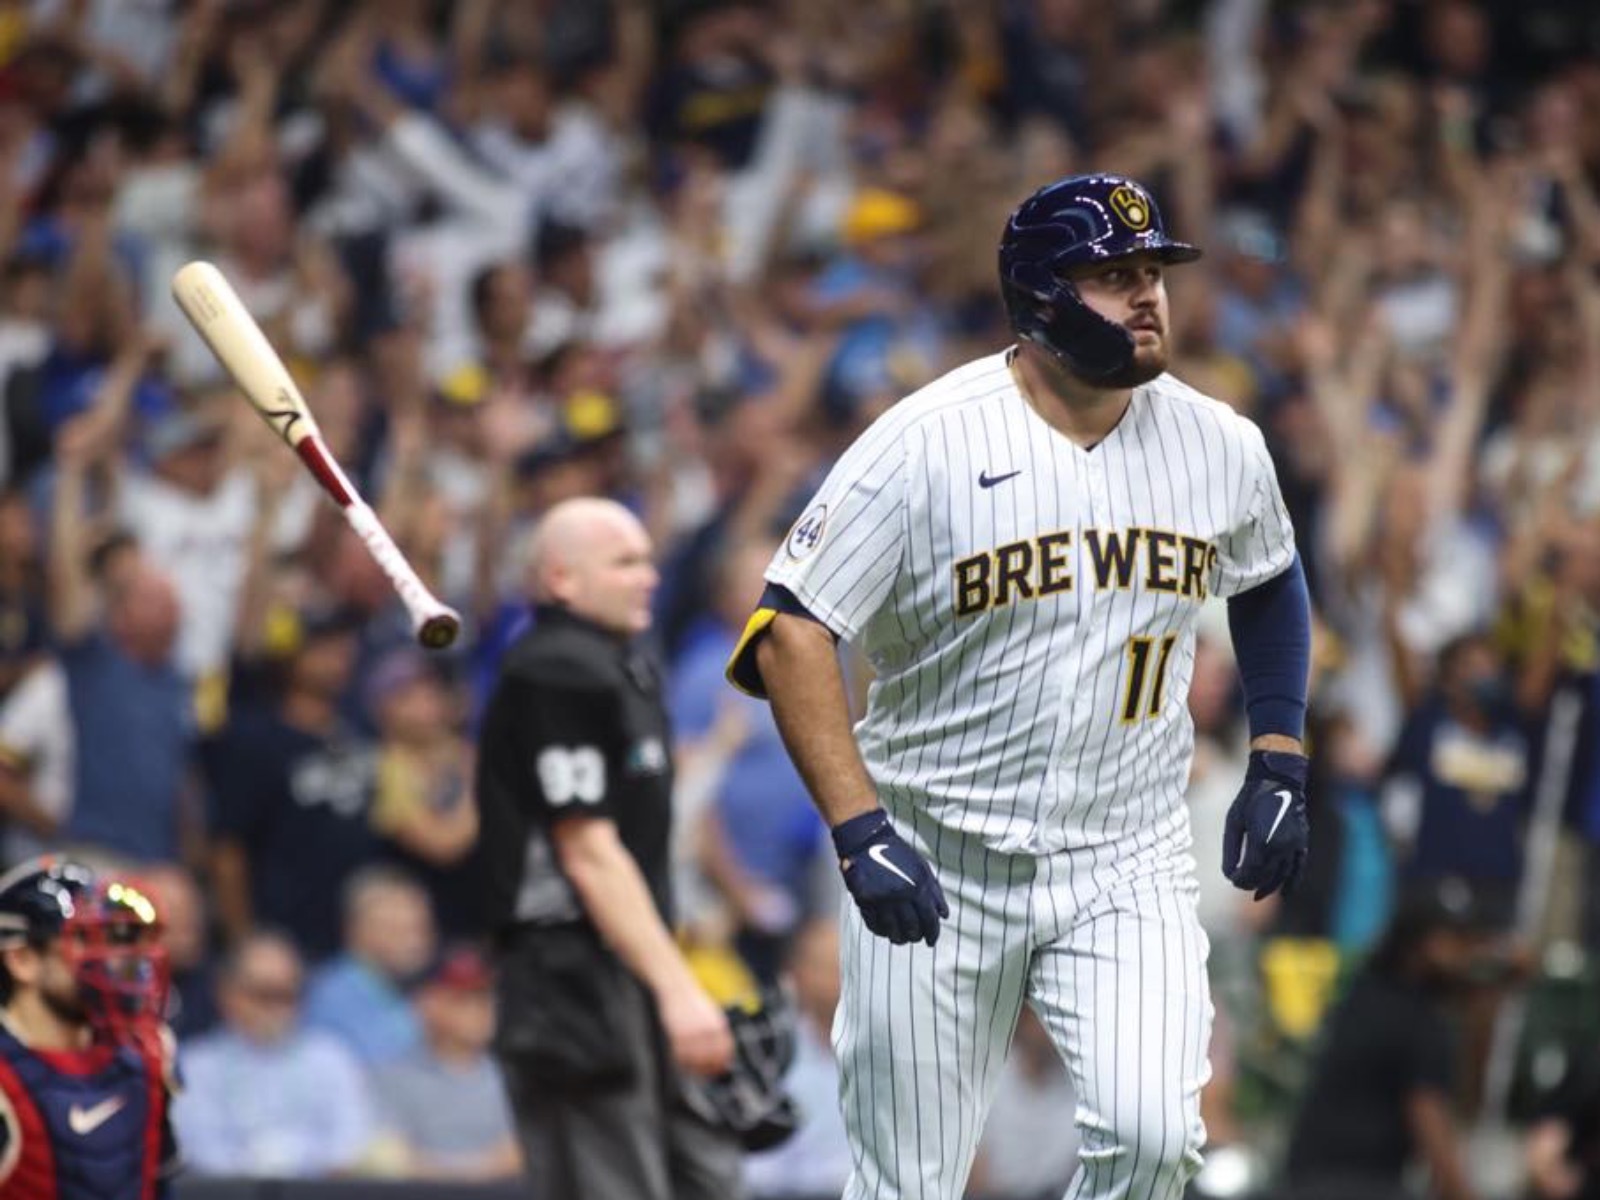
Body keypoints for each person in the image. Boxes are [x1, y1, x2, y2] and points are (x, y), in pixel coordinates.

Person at [726, 173, 1313, 1199]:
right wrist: (858, 828)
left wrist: (1278, 749)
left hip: (1124, 850)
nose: (1147, 297)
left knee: (1153, 1141)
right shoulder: (924, 441)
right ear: (1042, 298)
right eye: (1114, 276)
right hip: (935, 848)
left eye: (1154, 273)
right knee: (905, 1183)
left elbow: (1268, 581)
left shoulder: (1218, 442)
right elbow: (792, 630)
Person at [475, 496, 741, 1200]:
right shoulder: (553, 669)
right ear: (561, 579)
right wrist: (681, 991)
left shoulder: (622, 665)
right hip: (569, 977)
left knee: (706, 1178)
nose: (648, 577)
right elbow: (587, 850)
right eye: (625, 563)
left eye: (649, 561)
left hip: (630, 967)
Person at [1282, 879, 1518, 1200]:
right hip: (1360, 1185)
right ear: (1417, 943)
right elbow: (1433, 1133)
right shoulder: (1418, 1020)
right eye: (1456, 941)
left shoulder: (1365, 993)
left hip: (1304, 1180)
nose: (1466, 954)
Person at [0, 856, 179, 1199]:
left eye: (112, 940)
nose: (110, 959)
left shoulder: (149, 1052)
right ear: (22, 960)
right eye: (84, 939)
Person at [172, 929, 377, 1178]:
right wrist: (262, 1165)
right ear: (227, 994)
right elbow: (200, 1151)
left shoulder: (330, 1058)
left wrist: (289, 1161)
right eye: (263, 994)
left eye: (287, 995)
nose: (275, 1007)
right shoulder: (197, 1065)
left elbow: (352, 1142)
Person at [371, 943, 521, 1181]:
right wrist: (481, 1171)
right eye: (463, 998)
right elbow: (390, 1160)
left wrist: (441, 1170)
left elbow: (521, 1154)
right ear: (426, 1003)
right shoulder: (389, 1075)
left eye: (486, 995)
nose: (480, 1008)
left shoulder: (515, 1074)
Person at [301, 864, 436, 1067]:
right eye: (395, 929)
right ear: (354, 931)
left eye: (419, 928)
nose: (413, 942)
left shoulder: (422, 985)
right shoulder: (332, 994)